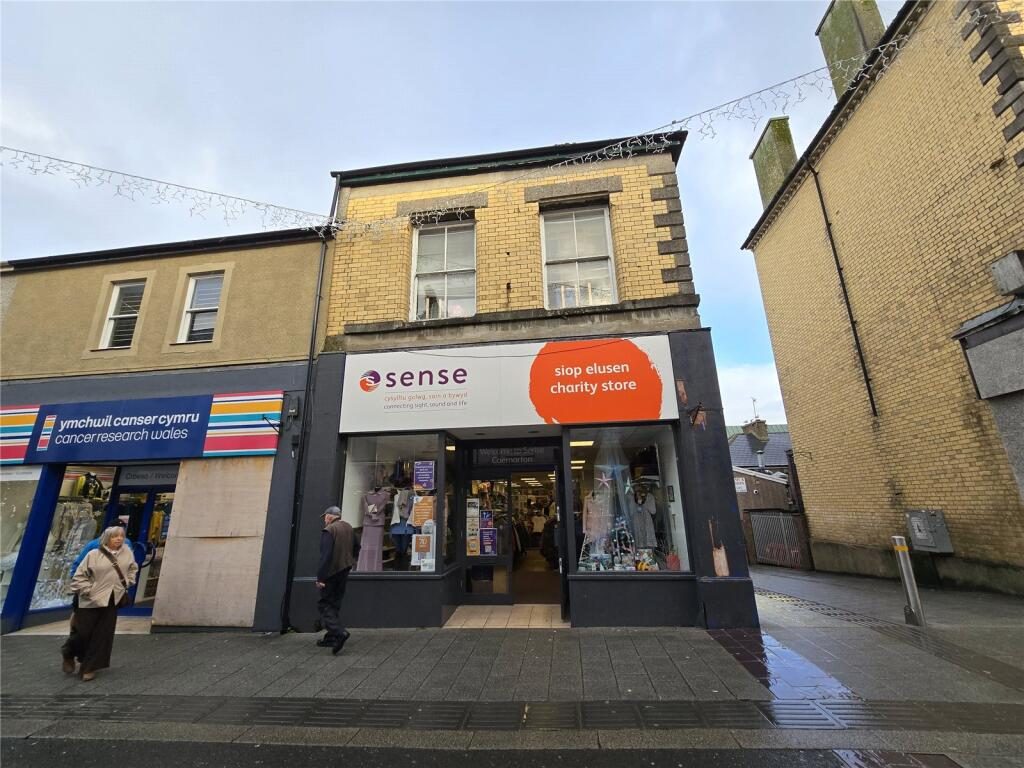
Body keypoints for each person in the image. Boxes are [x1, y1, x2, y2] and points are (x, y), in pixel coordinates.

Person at [63, 526, 138, 681]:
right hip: (90, 598)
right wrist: (88, 590)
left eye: (121, 536)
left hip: (112, 598)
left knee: (103, 634)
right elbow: (79, 574)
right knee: (83, 633)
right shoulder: (93, 553)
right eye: (115, 536)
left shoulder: (127, 553)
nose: (119, 539)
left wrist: (128, 582)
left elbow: (132, 569)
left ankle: (89, 667)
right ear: (107, 538)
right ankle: (69, 652)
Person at [316, 506, 356, 655]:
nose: (324, 519)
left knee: (324, 604)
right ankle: (331, 637)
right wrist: (350, 561)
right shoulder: (348, 527)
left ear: (329, 516)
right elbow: (357, 546)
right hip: (344, 570)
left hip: (331, 573)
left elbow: (325, 556)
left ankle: (339, 633)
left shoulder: (329, 531)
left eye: (325, 516)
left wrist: (320, 577)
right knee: (335, 603)